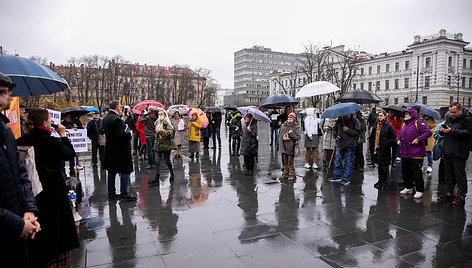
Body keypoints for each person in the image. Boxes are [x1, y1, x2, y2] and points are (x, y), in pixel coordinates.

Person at [17, 108, 80, 267]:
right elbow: (69, 154)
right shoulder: (49, 141)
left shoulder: (21, 141)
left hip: (29, 193)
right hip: (52, 191)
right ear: (45, 123)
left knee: (38, 231)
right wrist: (63, 135)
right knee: (55, 231)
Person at [0, 73, 40, 267]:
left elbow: (20, 174)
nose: (5, 98)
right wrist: (17, 224)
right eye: (2, 93)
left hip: (18, 220)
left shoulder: (6, 131)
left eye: (5, 93)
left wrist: (29, 210)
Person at [437, 102, 472, 206]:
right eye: (450, 112)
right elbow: (445, 131)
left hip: (459, 151)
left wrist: (451, 131)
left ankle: (461, 195)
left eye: (454, 112)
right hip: (448, 150)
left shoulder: (467, 119)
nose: (452, 114)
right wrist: (442, 131)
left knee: (459, 175)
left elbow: (468, 133)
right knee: (448, 174)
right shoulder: (449, 119)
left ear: (460, 110)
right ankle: (448, 192)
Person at [103, 100, 136, 202]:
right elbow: (120, 135)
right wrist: (129, 134)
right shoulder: (116, 119)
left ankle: (111, 194)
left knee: (111, 172)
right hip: (120, 150)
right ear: (117, 107)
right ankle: (124, 194)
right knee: (125, 171)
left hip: (110, 149)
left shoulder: (106, 117)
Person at [397, 108, 432, 199]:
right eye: (405, 114)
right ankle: (408, 187)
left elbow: (428, 132)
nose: (406, 116)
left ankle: (419, 190)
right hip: (405, 152)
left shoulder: (418, 123)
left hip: (416, 153)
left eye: (408, 114)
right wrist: (398, 140)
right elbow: (400, 134)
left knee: (416, 172)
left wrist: (418, 139)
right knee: (405, 171)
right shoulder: (404, 124)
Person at [328, 113, 360, 185]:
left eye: (347, 114)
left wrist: (348, 130)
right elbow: (334, 130)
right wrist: (336, 135)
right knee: (338, 161)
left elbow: (357, 132)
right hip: (341, 144)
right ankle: (337, 176)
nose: (345, 116)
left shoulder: (355, 121)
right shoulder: (339, 120)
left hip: (350, 144)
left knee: (349, 162)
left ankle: (346, 178)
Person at [369, 109, 396, 189]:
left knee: (384, 167)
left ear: (385, 116)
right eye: (379, 115)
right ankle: (380, 180)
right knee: (379, 166)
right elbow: (373, 136)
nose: (379, 117)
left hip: (385, 149)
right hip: (377, 149)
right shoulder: (376, 125)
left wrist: (386, 143)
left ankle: (384, 182)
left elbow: (393, 138)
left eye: (381, 115)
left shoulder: (389, 126)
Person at [148, 110, 177, 186]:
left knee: (167, 161)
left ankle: (172, 173)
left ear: (165, 115)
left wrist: (161, 132)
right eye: (158, 114)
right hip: (158, 146)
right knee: (157, 161)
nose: (159, 115)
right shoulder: (157, 123)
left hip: (165, 146)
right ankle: (157, 178)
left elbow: (170, 133)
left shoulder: (167, 124)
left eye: (161, 114)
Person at [278, 113, 302, 180]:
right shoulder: (283, 126)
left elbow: (298, 137)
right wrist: (283, 138)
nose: (289, 119)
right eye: (289, 118)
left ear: (294, 119)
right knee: (284, 161)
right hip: (283, 146)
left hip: (291, 146)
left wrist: (291, 134)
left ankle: (291, 173)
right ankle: (285, 173)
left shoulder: (296, 127)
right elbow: (280, 135)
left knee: (290, 161)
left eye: (291, 118)